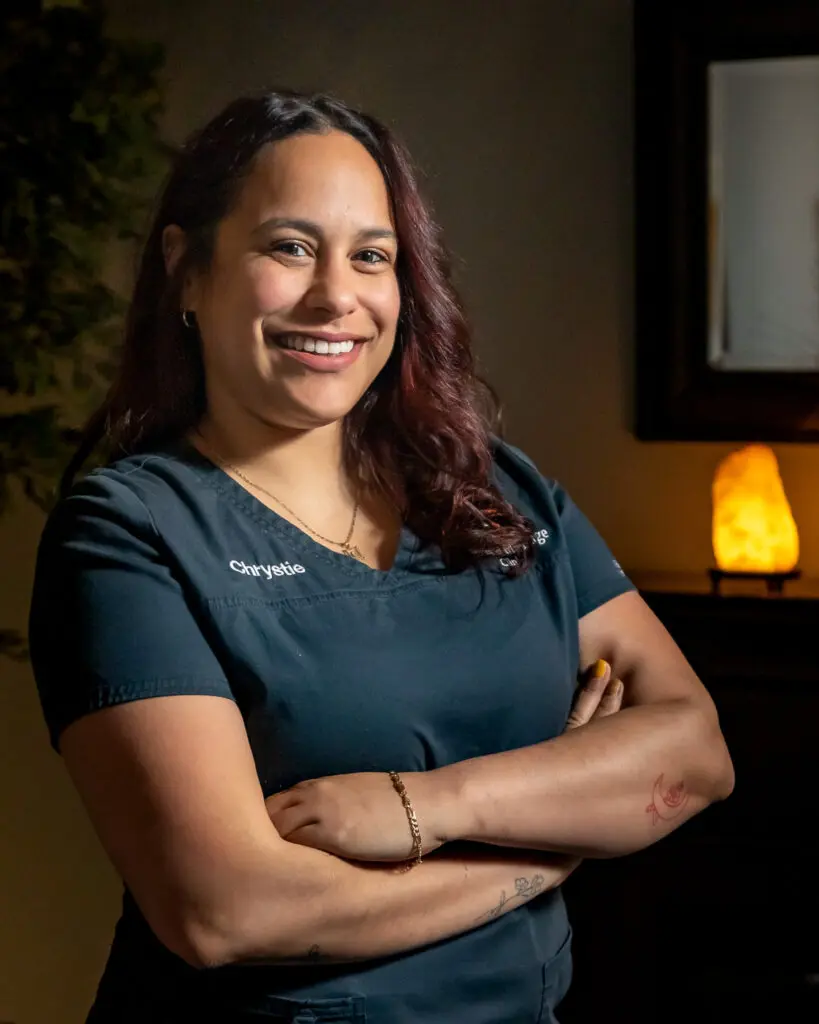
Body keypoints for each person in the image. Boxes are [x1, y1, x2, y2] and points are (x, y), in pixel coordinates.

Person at [28, 90, 734, 1024]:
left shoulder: (495, 494)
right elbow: (225, 909)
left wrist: (432, 806)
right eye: (288, 247)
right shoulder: (125, 533)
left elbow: (695, 752)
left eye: (372, 256)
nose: (337, 296)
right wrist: (548, 846)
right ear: (185, 271)